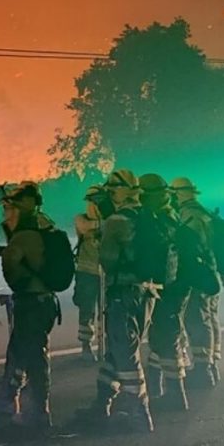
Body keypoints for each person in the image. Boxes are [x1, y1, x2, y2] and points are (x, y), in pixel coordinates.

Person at [77, 169, 155, 433]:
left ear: (123, 191)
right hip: (146, 292)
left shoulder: (117, 221)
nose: (109, 193)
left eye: (113, 188)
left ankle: (139, 412)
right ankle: (101, 403)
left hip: (122, 292)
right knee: (115, 351)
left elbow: (108, 260)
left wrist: (101, 243)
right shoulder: (147, 214)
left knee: (125, 352)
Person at [0, 182, 60, 432]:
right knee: (21, 350)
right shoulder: (45, 225)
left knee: (34, 356)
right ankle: (10, 397)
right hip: (45, 301)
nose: (7, 211)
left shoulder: (26, 231)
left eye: (12, 205)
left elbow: (14, 270)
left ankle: (39, 414)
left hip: (32, 302)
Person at [138, 174, 192, 411]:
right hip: (173, 286)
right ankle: (160, 386)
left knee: (165, 338)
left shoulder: (162, 219)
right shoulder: (168, 215)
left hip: (171, 288)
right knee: (161, 337)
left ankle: (176, 394)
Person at [171, 177, 222, 389]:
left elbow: (191, 247)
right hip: (211, 272)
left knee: (196, 319)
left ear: (178, 194)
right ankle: (211, 365)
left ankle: (203, 370)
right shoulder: (205, 212)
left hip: (198, 273)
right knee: (209, 317)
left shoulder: (188, 215)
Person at [73, 186, 104, 362]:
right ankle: (86, 346)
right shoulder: (81, 219)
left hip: (105, 273)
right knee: (86, 311)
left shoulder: (109, 220)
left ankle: (103, 345)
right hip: (86, 273)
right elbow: (86, 227)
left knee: (105, 312)